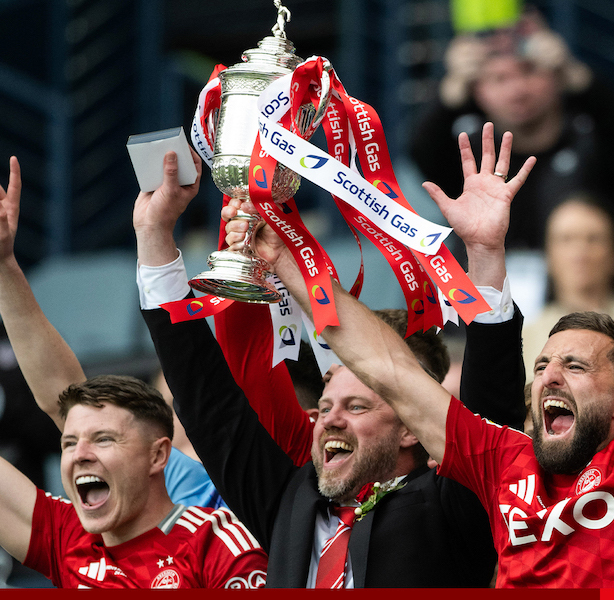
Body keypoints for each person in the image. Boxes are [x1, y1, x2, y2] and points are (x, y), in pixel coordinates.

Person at [229, 116, 614, 586]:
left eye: (575, 365)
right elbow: (389, 370)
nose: (549, 377)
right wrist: (287, 263)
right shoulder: (505, 461)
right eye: (541, 365)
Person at [135, 149, 506, 587]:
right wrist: (154, 232)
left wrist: (483, 256)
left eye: (356, 407)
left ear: (412, 426)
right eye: (327, 405)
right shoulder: (286, 503)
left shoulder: (456, 506)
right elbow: (205, 398)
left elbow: (491, 410)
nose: (328, 419)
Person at [0, 155, 223, 511]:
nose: (82, 454)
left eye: (178, 408)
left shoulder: (227, 487)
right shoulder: (140, 482)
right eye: (165, 405)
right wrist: (3, 264)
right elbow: (66, 398)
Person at [0, 373, 267, 588]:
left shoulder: (216, 546)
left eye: (104, 439)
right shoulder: (69, 537)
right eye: (69, 443)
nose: (79, 455)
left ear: (158, 455)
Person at [411, 14, 614, 253]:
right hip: (481, 287)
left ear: (556, 77)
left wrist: (572, 72)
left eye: (529, 71)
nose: (517, 90)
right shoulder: (468, 151)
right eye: (499, 78)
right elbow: (423, 152)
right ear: (477, 91)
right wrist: (453, 88)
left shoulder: (592, 141)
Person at [521, 197, 614, 374]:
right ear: (547, 257)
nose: (580, 253)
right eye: (566, 239)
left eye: (593, 239)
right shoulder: (524, 338)